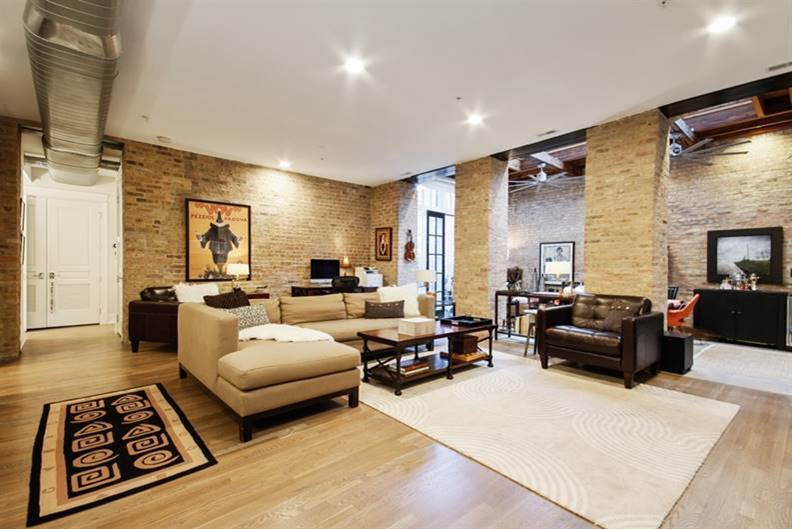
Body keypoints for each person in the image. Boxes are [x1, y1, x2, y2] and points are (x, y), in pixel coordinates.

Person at [196, 211, 242, 276]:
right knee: (216, 261)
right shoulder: (212, 230)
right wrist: (200, 238)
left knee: (223, 261)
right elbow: (205, 237)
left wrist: (238, 240)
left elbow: (233, 237)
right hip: (215, 249)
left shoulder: (227, 230)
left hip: (225, 250)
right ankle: (218, 272)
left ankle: (221, 272)